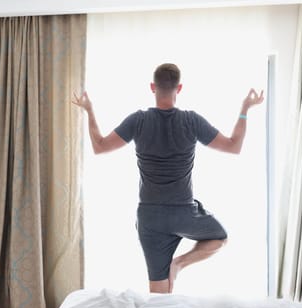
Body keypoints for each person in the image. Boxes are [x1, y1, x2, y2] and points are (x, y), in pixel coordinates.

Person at [72, 63, 264, 294]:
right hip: (184, 213)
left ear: (153, 87)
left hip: (150, 217)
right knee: (219, 237)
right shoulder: (191, 121)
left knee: (158, 298)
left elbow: (100, 146)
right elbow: (234, 146)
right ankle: (179, 264)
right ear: (179, 88)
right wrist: (245, 109)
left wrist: (89, 110)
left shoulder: (139, 120)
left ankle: (162, 305)